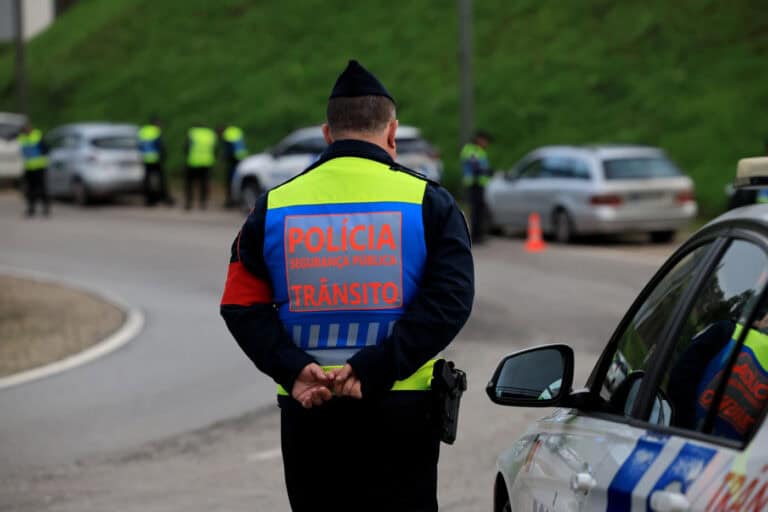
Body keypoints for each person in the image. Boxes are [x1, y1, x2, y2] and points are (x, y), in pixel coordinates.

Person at [220, 60, 474, 512]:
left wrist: (292, 367)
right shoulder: (428, 202)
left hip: (309, 408)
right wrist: (379, 366)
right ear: (392, 132)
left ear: (327, 134)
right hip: (402, 410)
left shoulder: (273, 206)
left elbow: (240, 304)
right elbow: (450, 301)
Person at [668, 306, 768, 442]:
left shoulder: (727, 332)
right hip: (728, 454)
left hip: (678, 435)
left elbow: (679, 380)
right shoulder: (727, 332)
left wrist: (683, 428)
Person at [461, 131, 492, 244]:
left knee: (480, 210)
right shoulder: (470, 149)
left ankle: (479, 234)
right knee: (475, 211)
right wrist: (487, 171)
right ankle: (475, 236)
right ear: (479, 139)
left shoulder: (479, 151)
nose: (486, 144)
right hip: (474, 184)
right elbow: (474, 166)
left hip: (479, 184)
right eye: (485, 141)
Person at [138, 117, 173, 206]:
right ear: (156, 124)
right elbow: (160, 145)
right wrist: (163, 155)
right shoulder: (156, 131)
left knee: (147, 180)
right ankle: (163, 197)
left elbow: (140, 145)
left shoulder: (143, 131)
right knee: (161, 180)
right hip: (155, 158)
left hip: (145, 158)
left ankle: (149, 199)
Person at [18, 122, 50, 217]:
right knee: (30, 189)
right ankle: (31, 208)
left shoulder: (38, 136)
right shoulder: (22, 138)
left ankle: (46, 208)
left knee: (42, 188)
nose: (25, 131)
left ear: (31, 128)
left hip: (40, 166)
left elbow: (46, 149)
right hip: (29, 167)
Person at [184, 124, 217, 210]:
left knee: (190, 183)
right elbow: (215, 148)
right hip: (207, 162)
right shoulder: (210, 134)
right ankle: (203, 203)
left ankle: (189, 202)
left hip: (193, 161)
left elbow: (186, 147)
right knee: (204, 183)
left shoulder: (193, 133)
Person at [219, 124, 248, 207]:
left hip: (233, 160)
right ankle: (240, 200)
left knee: (230, 180)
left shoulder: (226, 135)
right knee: (239, 179)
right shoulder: (236, 131)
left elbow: (228, 149)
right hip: (242, 157)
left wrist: (223, 157)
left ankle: (230, 201)